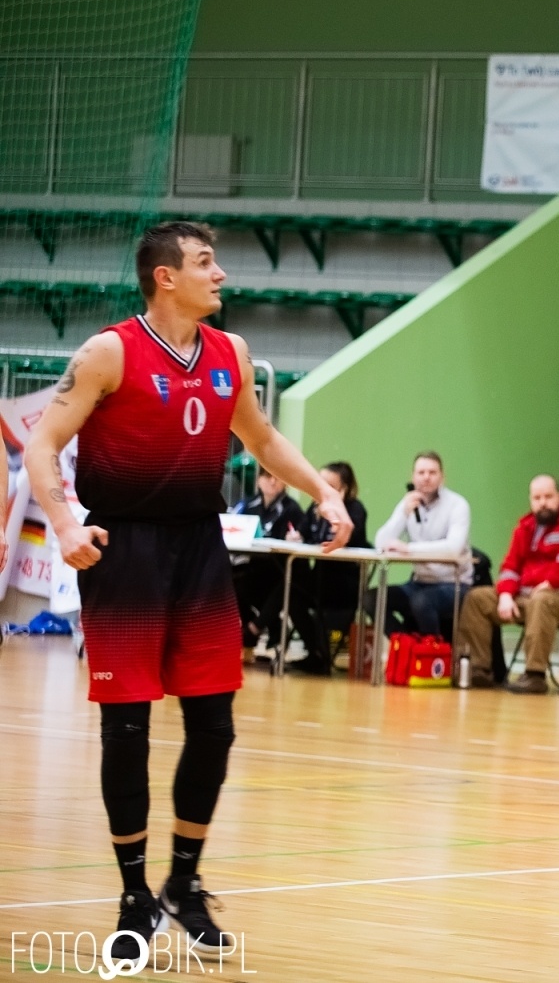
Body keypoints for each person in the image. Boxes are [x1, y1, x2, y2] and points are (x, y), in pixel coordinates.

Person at [22, 220, 351, 961]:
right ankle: (135, 893)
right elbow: (44, 445)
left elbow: (261, 439)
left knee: (214, 727)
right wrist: (68, 523)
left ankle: (184, 882)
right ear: (165, 277)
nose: (221, 274)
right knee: (127, 730)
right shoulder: (109, 352)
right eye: (207, 263)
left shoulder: (230, 352)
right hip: (125, 548)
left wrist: (323, 493)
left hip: (200, 548)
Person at [452, 474, 559, 695]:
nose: (542, 503)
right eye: (537, 498)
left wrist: (550, 582)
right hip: (527, 598)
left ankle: (535, 675)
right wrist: (506, 595)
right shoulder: (525, 526)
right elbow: (510, 566)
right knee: (477, 598)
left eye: (548, 496)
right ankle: (479, 669)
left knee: (542, 601)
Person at [280, 462, 369, 674]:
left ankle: (320, 654)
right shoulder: (314, 507)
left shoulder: (354, 509)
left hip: (342, 584)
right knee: (289, 593)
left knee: (308, 597)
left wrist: (330, 522)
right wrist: (295, 536)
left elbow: (346, 538)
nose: (322, 489)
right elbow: (303, 533)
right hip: (317, 577)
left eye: (329, 485)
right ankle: (316, 652)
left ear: (343, 489)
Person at [374, 451, 471, 638]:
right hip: (419, 582)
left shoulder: (458, 505)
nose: (426, 477)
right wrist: (403, 513)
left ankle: (433, 654)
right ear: (413, 476)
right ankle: (406, 646)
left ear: (442, 477)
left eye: (432, 472)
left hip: (454, 583)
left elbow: (452, 549)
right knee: (373, 598)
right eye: (421, 472)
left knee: (421, 602)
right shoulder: (409, 503)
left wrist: (408, 549)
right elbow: (380, 543)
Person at [230, 466, 304, 657]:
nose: (272, 481)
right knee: (229, 580)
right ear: (258, 481)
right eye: (267, 476)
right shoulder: (247, 505)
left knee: (277, 585)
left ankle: (254, 629)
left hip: (278, 569)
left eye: (277, 477)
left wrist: (295, 538)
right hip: (252, 566)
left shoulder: (292, 509)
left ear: (285, 483)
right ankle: (262, 625)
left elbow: (299, 536)